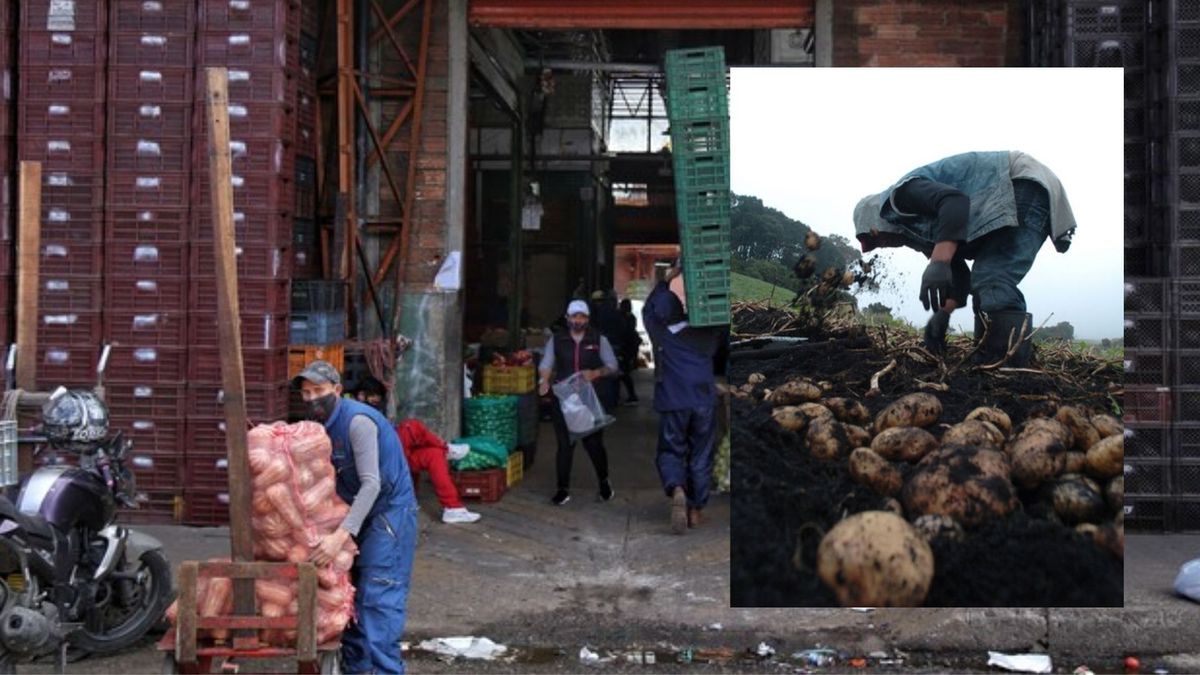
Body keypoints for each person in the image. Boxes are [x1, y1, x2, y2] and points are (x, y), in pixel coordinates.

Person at [853, 151, 1077, 366]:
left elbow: (954, 202)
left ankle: (1008, 367)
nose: (872, 248)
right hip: (1021, 188)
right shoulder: (920, 234)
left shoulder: (902, 195)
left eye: (871, 238)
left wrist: (938, 262)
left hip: (1019, 181)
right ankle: (991, 359)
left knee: (992, 278)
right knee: (986, 281)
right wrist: (943, 314)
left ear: (876, 222)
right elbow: (959, 275)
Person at [295, 361, 417, 674]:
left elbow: (372, 484)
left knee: (377, 601)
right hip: (357, 516)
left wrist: (340, 535)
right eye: (306, 393)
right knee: (349, 602)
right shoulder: (317, 427)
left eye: (319, 391)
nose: (312, 398)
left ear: (337, 390)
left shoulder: (357, 422)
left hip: (388, 515)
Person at [642, 263, 722, 534]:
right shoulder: (707, 332)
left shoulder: (661, 331)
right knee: (701, 453)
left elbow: (650, 308)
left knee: (671, 449)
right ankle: (696, 510)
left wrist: (669, 280)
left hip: (673, 398)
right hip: (703, 398)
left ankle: (676, 487)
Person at [538, 299, 618, 506]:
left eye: (582, 317)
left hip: (589, 399)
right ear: (567, 318)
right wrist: (544, 380)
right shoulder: (556, 340)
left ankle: (604, 483)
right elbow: (546, 363)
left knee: (594, 444)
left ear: (588, 319)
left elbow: (613, 366)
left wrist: (596, 373)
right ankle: (562, 489)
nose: (578, 320)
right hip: (564, 400)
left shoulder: (599, 340)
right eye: (574, 316)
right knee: (565, 445)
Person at [396, 418, 482, 524]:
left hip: (395, 453)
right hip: (387, 458)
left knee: (435, 454)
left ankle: (453, 509)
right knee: (409, 426)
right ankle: (446, 448)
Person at [617, 298, 643, 404]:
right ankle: (629, 395)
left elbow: (626, 332)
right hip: (628, 348)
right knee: (623, 373)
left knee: (623, 373)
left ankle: (631, 395)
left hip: (625, 348)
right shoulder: (630, 317)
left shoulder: (624, 318)